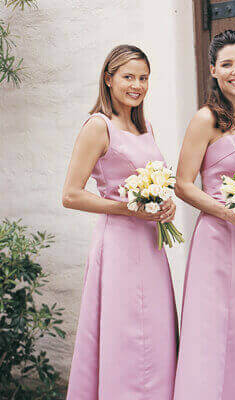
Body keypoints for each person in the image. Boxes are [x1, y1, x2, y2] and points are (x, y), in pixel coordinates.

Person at [61, 45, 177, 400]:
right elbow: (70, 194)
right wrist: (129, 209)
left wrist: (165, 203)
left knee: (155, 330)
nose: (137, 86)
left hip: (151, 245)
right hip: (119, 246)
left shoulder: (145, 127)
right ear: (109, 79)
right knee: (124, 331)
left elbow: (153, 179)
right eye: (128, 77)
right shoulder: (98, 127)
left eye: (143, 78)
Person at [173, 30, 235, 400]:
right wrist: (228, 214)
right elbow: (183, 184)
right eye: (227, 64)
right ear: (214, 70)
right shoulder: (205, 119)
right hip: (216, 240)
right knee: (212, 327)